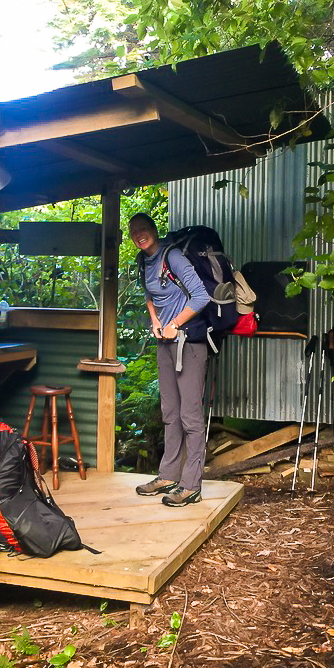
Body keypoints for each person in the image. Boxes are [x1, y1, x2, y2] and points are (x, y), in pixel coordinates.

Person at [127, 213, 210, 507]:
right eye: (134, 231)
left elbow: (201, 296)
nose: (139, 235)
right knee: (170, 412)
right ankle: (168, 475)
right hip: (165, 343)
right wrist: (154, 321)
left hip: (189, 343)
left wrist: (175, 322)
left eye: (143, 229)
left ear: (153, 229)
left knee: (190, 415)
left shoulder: (172, 256)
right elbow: (150, 295)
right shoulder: (143, 261)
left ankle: (191, 485)